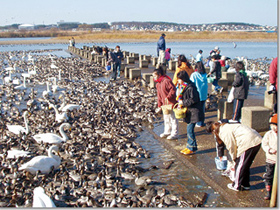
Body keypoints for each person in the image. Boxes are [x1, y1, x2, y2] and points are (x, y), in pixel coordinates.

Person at [205, 121, 262, 191]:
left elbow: (231, 147)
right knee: (245, 165)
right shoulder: (224, 126)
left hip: (248, 142)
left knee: (239, 165)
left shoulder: (223, 132)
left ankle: (236, 185)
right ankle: (245, 184)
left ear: (213, 131)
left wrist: (234, 159)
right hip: (256, 139)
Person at [176, 71, 202, 155]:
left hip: (194, 111)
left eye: (179, 79)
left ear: (183, 79)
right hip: (189, 111)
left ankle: (191, 148)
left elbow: (194, 99)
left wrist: (183, 102)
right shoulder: (184, 86)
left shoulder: (191, 87)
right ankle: (190, 146)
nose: (178, 81)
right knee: (189, 129)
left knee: (190, 130)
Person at [153, 67, 178, 140]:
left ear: (159, 74)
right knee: (166, 118)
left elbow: (173, 89)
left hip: (171, 102)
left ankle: (174, 133)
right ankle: (167, 131)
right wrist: (159, 104)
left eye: (155, 76)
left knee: (173, 118)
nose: (154, 77)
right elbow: (159, 95)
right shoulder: (158, 84)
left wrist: (169, 97)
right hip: (164, 104)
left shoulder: (166, 81)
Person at [261, 113, 277, 200]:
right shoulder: (269, 134)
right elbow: (264, 144)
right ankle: (269, 192)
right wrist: (269, 150)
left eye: (276, 126)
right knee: (269, 176)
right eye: (272, 126)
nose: (274, 128)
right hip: (271, 159)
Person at [190, 61, 208, 127]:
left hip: (197, 94)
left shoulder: (194, 75)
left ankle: (198, 123)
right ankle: (202, 122)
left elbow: (191, 83)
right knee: (202, 109)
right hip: (204, 94)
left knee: (197, 110)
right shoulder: (205, 74)